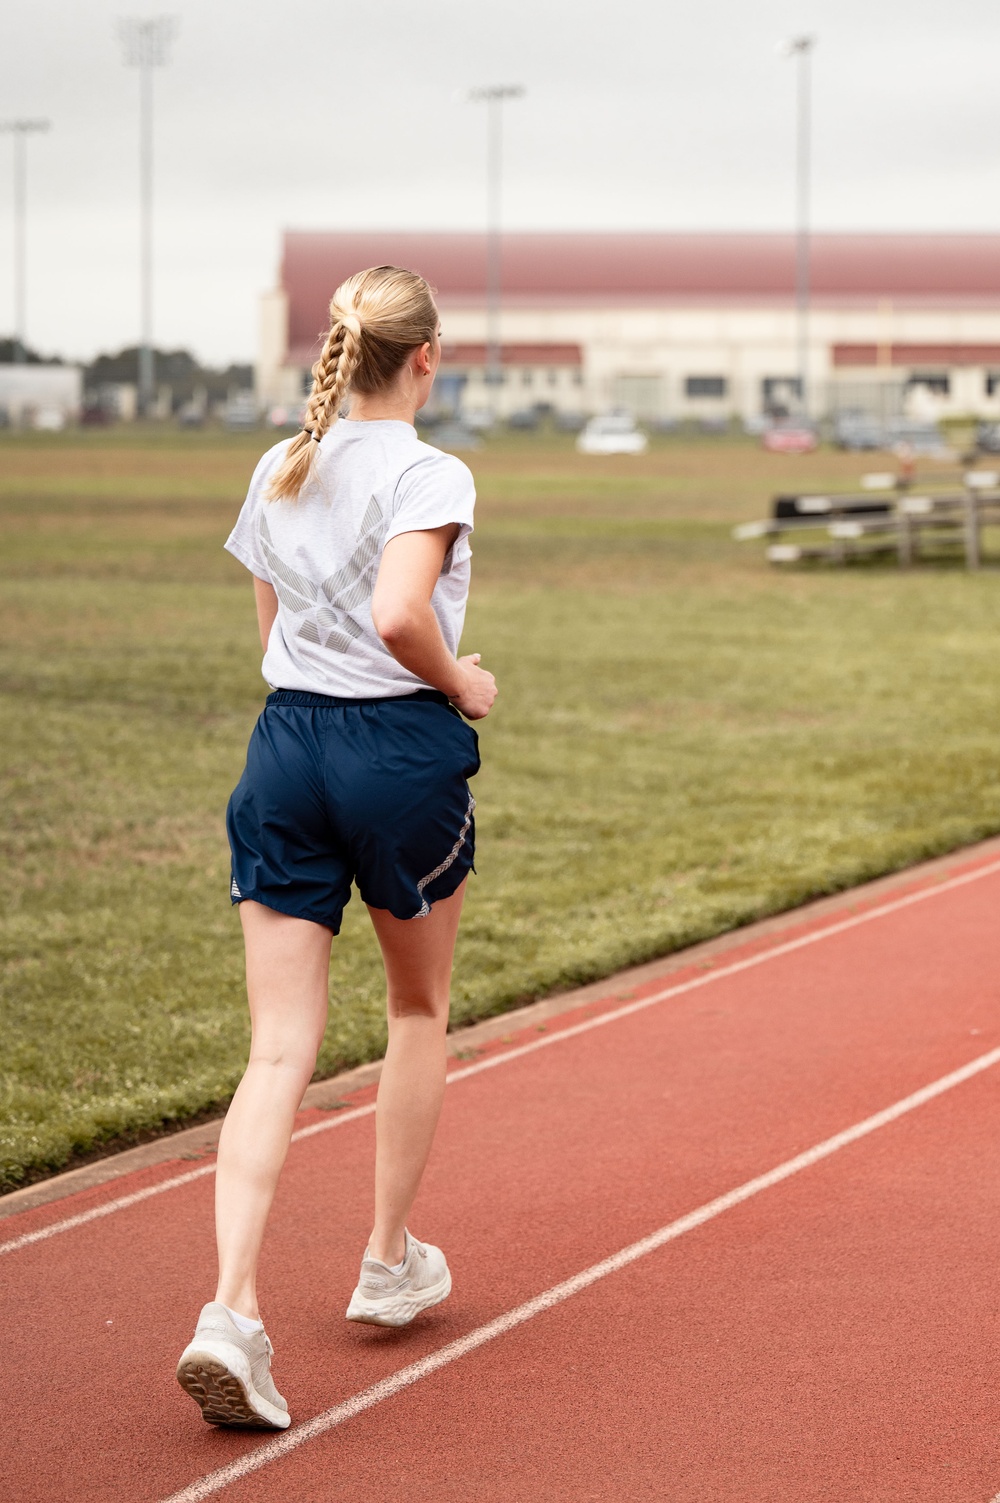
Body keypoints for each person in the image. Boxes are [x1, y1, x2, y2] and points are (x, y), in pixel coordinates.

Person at [175, 265, 497, 1430]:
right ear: (426, 357)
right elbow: (399, 617)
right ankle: (385, 1257)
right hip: (395, 751)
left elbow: (269, 630)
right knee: (415, 1010)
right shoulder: (429, 469)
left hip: (284, 747)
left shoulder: (280, 461)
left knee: (276, 1051)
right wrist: (464, 682)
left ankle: (230, 1313)